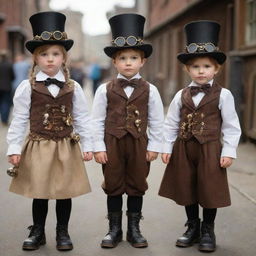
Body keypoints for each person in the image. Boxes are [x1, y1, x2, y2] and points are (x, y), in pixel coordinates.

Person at [6, 11, 92, 251]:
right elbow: (20, 118)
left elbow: (82, 118)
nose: (50, 59)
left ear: (64, 58)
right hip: (39, 145)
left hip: (66, 145)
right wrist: (14, 148)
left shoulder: (73, 87)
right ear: (35, 58)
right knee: (40, 192)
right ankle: (38, 231)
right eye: (44, 54)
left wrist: (89, 145)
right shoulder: (27, 87)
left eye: (56, 54)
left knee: (65, 192)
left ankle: (62, 232)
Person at [158, 20, 241, 252]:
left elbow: (232, 126)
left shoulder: (223, 95)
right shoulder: (180, 95)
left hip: (210, 148)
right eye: (195, 66)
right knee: (187, 187)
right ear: (187, 69)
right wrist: (166, 148)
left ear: (216, 69)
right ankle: (192, 226)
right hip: (184, 148)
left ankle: (208, 229)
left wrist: (229, 151)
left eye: (206, 66)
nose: (201, 71)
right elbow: (171, 122)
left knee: (209, 188)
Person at [92, 13, 164, 249]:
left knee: (136, 184)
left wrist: (154, 146)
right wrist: (98, 147)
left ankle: (134, 229)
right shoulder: (104, 89)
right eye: (123, 58)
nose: (128, 62)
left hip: (138, 143)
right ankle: (114, 229)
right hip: (112, 142)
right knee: (112, 183)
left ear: (143, 61)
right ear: (114, 62)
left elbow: (157, 119)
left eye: (134, 57)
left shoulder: (150, 90)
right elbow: (96, 120)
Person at [0, 50, 15, 125]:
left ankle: (2, 118)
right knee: (6, 103)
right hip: (7, 87)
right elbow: (13, 77)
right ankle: (4, 120)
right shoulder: (9, 65)